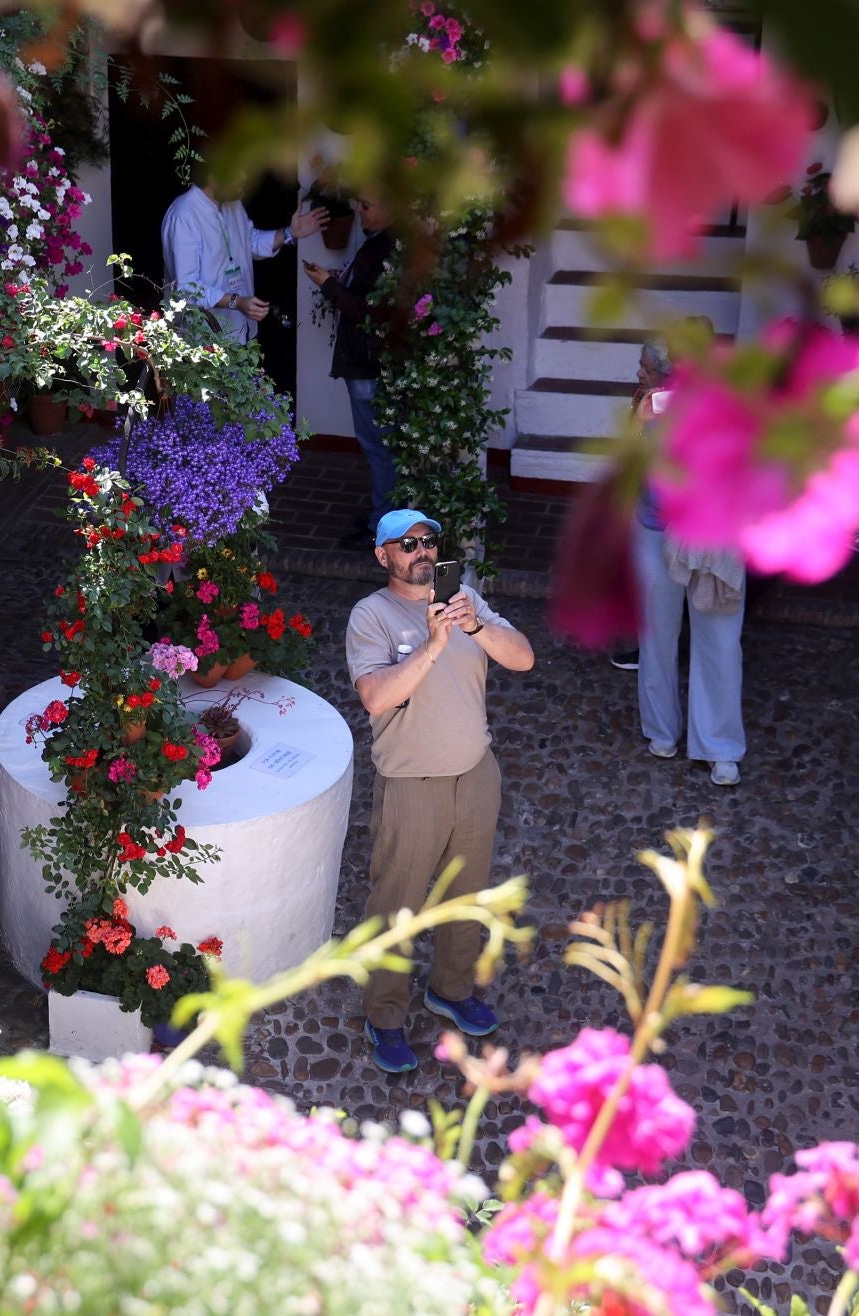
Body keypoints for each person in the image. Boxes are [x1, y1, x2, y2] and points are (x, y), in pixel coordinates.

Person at [345, 508, 536, 1074]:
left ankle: (450, 989)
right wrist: (431, 644)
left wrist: (475, 626)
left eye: (428, 541)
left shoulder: (466, 601)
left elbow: (523, 658)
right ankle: (385, 1017)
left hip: (476, 773)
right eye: (406, 544)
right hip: (411, 784)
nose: (420, 550)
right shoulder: (370, 616)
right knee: (395, 905)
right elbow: (376, 697)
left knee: (467, 893)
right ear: (383, 556)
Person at [630, 338, 746, 786]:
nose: (638, 374)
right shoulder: (643, 406)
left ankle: (720, 748)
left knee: (719, 642)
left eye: (644, 367)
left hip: (711, 541)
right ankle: (661, 731)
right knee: (657, 637)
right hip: (654, 533)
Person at [304, 194, 400, 541]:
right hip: (364, 361)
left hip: (367, 362)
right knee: (377, 443)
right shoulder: (378, 245)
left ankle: (384, 524)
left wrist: (328, 286)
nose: (360, 211)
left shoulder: (389, 250)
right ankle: (382, 516)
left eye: (367, 204)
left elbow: (369, 312)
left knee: (379, 445)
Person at [159, 160, 328, 346]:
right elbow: (187, 289)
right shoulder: (183, 216)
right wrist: (236, 302)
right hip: (203, 342)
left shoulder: (233, 204)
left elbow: (249, 242)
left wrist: (289, 233)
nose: (244, 177)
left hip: (240, 332)